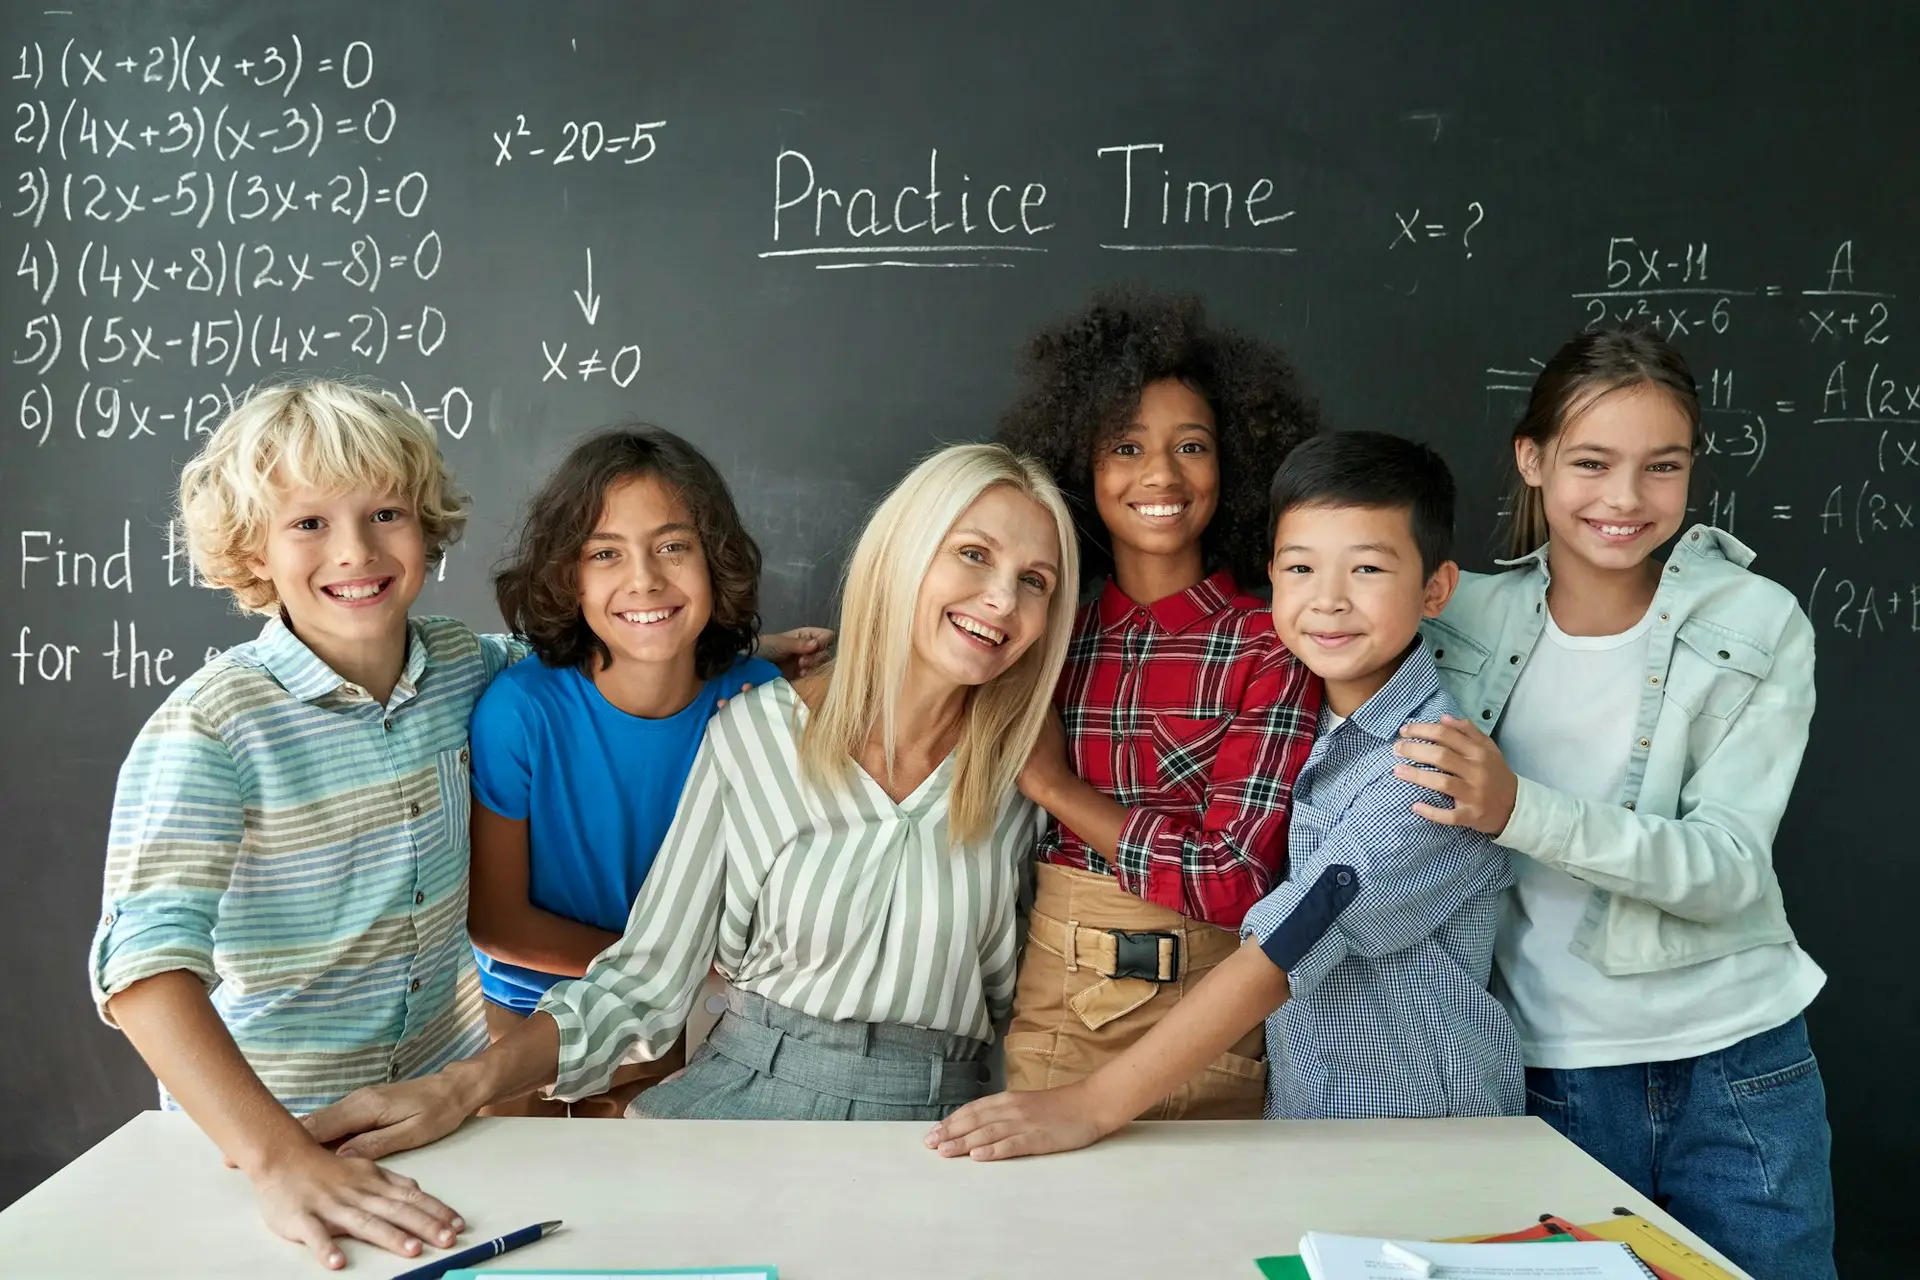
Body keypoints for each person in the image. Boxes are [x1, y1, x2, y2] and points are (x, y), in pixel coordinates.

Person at [300, 442, 1079, 1152]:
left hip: (955, 1125)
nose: (1003, 600)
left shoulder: (1032, 768)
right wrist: (460, 1085)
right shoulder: (753, 728)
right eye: (973, 555)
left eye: (1035, 581)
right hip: (750, 1089)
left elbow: (1060, 985)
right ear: (902, 557)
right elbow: (643, 980)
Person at [925, 431, 1519, 1160]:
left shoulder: (1433, 765)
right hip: (1309, 1119)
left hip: (1418, 1136)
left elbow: (1286, 944)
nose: (1329, 600)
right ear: (1273, 574)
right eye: (1301, 568)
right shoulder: (1321, 725)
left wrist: (1090, 1104)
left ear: (1436, 589)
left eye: (1367, 569)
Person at [1394, 328, 1834, 1279]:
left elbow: (1727, 868)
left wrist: (1518, 810)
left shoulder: (1756, 622)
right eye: (1592, 463)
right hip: (1549, 1071)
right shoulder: (1457, 615)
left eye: (1661, 467)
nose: (1626, 499)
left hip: (1741, 1067)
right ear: (1533, 460)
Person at [89, 379, 507, 1270]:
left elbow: (609, 654)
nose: (355, 551)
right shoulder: (211, 727)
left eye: (386, 511)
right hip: (270, 1146)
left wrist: (736, 659)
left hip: (441, 1119)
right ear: (254, 550)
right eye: (307, 523)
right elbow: (143, 970)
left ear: (427, 525)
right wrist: (278, 1160)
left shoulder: (470, 666)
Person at [991, 287, 1322, 1118]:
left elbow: (1236, 880)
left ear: (1234, 464)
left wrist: (1062, 792)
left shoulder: (1270, 641)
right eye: (1126, 446)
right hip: (1055, 1000)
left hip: (1209, 1015)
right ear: (1080, 465)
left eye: (1193, 446)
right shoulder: (1041, 624)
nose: (1161, 475)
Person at [466, 426, 798, 1118]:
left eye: (673, 547)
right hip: (532, 1013)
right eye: (605, 554)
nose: (644, 578)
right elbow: (497, 922)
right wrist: (660, 966)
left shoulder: (761, 701)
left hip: (699, 1021)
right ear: (569, 577)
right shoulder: (522, 712)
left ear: (717, 562)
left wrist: (678, 986)